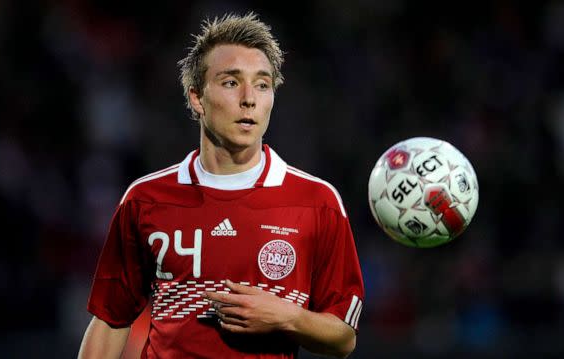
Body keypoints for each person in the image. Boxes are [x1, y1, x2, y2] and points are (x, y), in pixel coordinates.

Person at [78, 12, 364, 359]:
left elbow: (344, 338)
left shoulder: (317, 201)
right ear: (197, 97)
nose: (249, 98)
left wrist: (288, 316)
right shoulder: (146, 199)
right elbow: (110, 321)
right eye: (231, 82)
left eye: (262, 84)